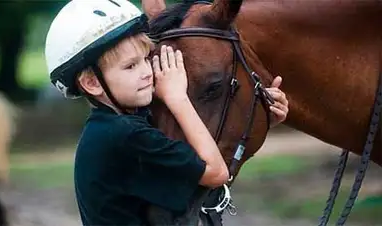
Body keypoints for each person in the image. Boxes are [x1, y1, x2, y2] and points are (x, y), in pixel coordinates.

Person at [44, 0, 289, 225]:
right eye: (130, 66)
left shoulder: (115, 125)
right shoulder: (125, 134)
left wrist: (256, 117)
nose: (146, 72)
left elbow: (195, 150)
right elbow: (216, 173)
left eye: (145, 60)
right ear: (92, 83)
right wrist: (177, 97)